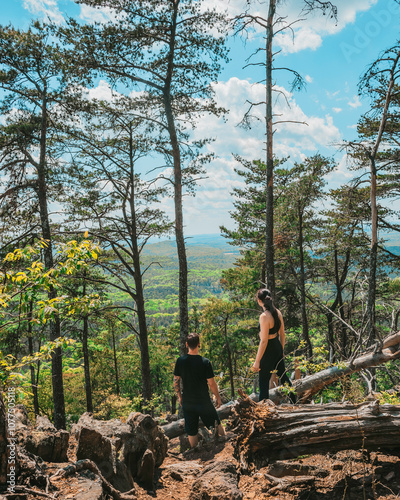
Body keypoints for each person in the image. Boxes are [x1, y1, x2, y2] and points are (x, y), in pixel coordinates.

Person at [173, 333, 226, 448]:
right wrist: (217, 397)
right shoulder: (205, 362)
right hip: (203, 401)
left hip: (188, 401)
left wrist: (180, 397)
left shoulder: (180, 361)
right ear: (199, 344)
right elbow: (211, 383)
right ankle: (225, 444)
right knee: (216, 423)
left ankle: (195, 453)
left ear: (186, 344)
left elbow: (176, 382)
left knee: (191, 430)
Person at [251, 288, 295, 402]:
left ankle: (263, 408)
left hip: (268, 348)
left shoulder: (264, 316)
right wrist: (281, 350)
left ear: (259, 301)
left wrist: (257, 361)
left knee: (263, 381)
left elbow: (264, 341)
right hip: (277, 346)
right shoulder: (277, 312)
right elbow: (282, 334)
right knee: (283, 376)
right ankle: (294, 400)